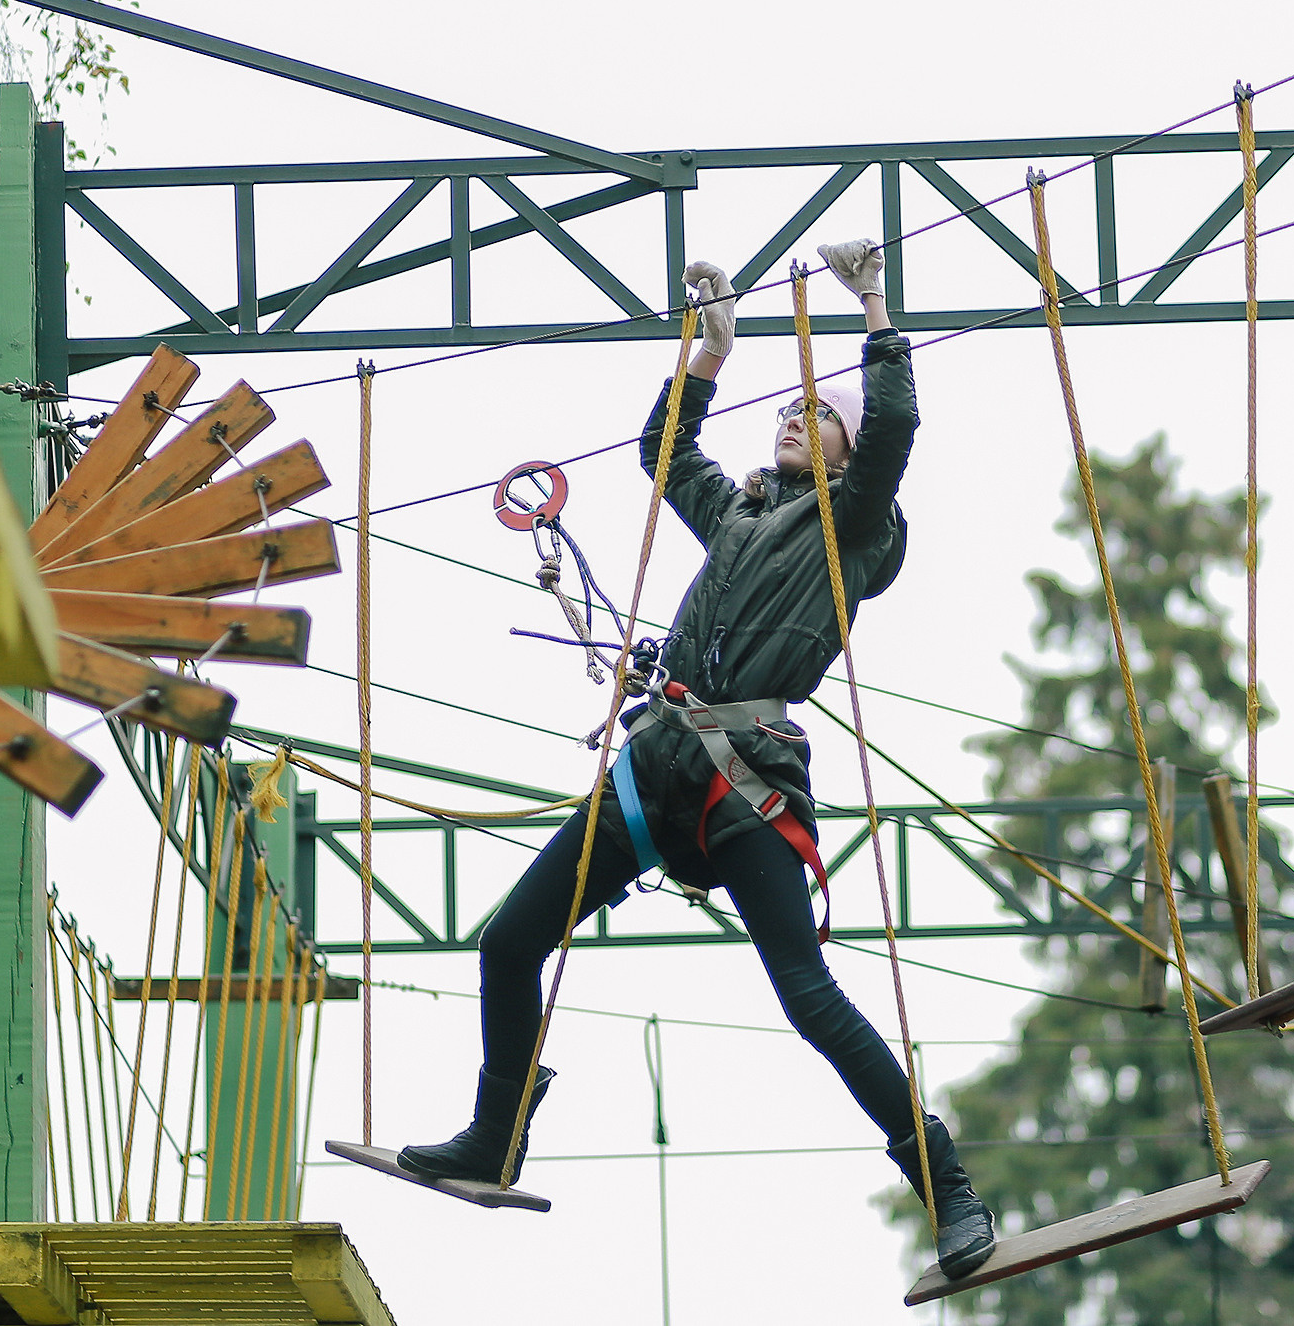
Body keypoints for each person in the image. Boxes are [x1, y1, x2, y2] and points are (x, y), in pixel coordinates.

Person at [397, 240, 997, 1279]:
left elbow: (893, 420)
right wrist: (708, 354)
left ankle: (941, 1180)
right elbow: (666, 455)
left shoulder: (850, 524)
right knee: (504, 944)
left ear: (847, 456)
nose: (790, 420)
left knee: (807, 998)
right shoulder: (739, 514)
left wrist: (870, 303)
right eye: (784, 411)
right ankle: (496, 1130)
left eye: (815, 415)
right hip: (659, 761)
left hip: (744, 774)